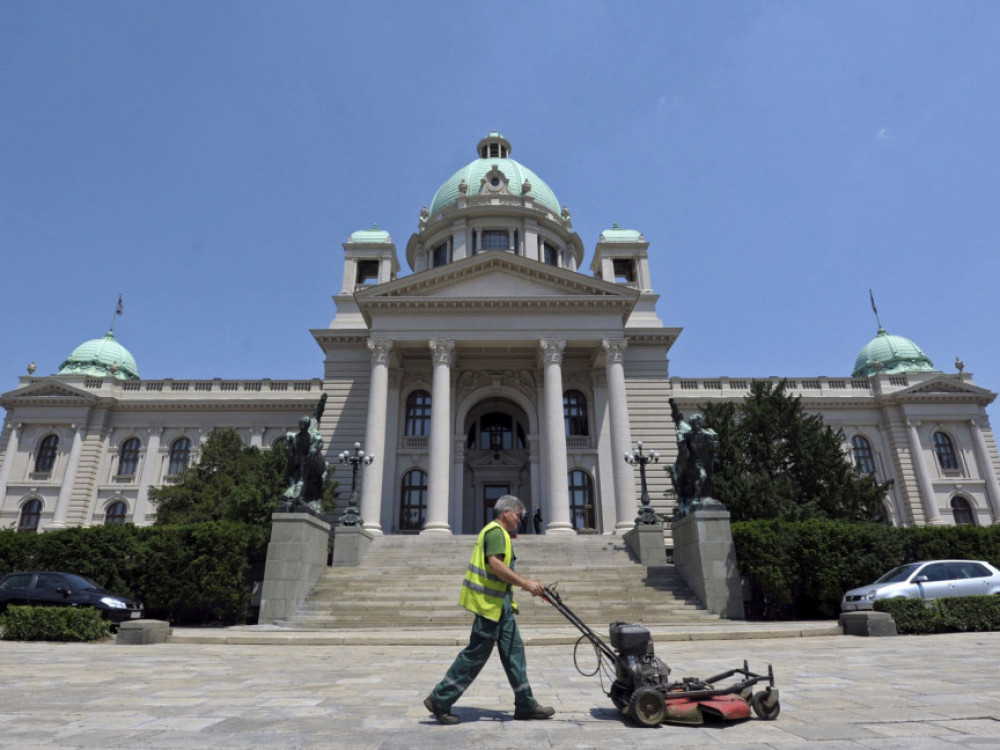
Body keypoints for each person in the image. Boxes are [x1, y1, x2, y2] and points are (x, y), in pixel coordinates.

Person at [424, 495, 555, 724]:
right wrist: (526, 583)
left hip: (501, 606)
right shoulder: (495, 532)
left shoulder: (501, 533)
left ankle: (525, 704)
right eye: (518, 514)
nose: (519, 519)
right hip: (489, 607)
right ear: (506, 512)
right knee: (475, 655)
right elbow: (495, 565)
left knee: (515, 653)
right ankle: (440, 699)